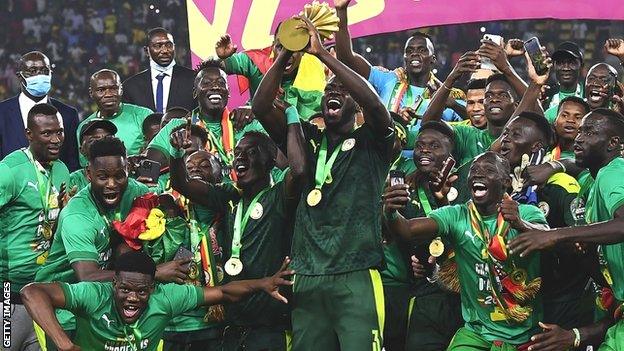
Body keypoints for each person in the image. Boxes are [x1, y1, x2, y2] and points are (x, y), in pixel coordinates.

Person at [252, 17, 398, 350]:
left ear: (355, 103)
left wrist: (322, 54)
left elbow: (376, 105)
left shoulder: (373, 142)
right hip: (307, 275)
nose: (334, 91)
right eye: (329, 89)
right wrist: (285, 53)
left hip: (357, 273)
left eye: (343, 91)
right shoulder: (305, 139)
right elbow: (261, 105)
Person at [168, 95, 306, 349]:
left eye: (250, 153)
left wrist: (292, 116)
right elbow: (182, 184)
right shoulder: (229, 196)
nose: (239, 158)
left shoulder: (280, 197)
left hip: (271, 326)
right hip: (232, 326)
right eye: (238, 153)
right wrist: (177, 152)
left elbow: (298, 170)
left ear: (268, 160)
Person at [35, 136, 189, 348]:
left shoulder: (138, 193)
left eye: (119, 176)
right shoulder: (77, 215)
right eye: (102, 177)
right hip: (64, 309)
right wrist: (156, 272)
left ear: (127, 170)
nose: (111, 184)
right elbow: (87, 276)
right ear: (89, 175)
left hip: (106, 303)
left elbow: (163, 215)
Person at [384, 151, 548, 350]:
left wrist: (521, 224)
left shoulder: (527, 212)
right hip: (477, 334)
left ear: (505, 181)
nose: (478, 174)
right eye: (474, 171)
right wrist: (391, 212)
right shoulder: (457, 215)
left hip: (526, 335)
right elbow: (408, 230)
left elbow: (547, 236)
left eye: (488, 170)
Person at [508, 109, 624, 350]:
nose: (580, 138)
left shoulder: (614, 172)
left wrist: (555, 234)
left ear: (613, 143)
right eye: (580, 130)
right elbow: (575, 166)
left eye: (590, 132)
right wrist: (555, 165)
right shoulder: (591, 180)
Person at [22, 250, 294, 351]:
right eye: (125, 289)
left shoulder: (167, 298)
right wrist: (66, 346)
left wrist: (262, 283)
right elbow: (31, 292)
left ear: (153, 289)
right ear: (113, 284)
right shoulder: (93, 294)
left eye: (141, 291)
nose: (132, 298)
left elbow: (223, 292)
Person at [381, 121, 463, 351]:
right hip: (425, 294)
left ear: (450, 155)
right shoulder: (405, 190)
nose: (424, 150)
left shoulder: (468, 183)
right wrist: (388, 210)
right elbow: (393, 235)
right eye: (419, 146)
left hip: (466, 295)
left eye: (434, 145)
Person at [0, 103, 69, 351]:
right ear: (29, 134)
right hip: (8, 293)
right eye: (46, 133)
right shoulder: (10, 170)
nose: (55, 140)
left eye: (59, 132)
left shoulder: (62, 170)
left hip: (43, 291)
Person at [334, 0, 465, 124]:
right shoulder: (387, 80)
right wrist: (341, 11)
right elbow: (346, 59)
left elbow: (478, 123)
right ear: (404, 58)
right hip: (388, 147)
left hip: (427, 147)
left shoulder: (448, 95)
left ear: (433, 59)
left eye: (422, 50)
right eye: (409, 51)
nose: (415, 53)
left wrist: (454, 105)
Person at [147, 59, 265, 181]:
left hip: (241, 195)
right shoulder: (177, 127)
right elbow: (148, 168)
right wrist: (176, 150)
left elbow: (276, 161)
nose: (215, 87)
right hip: (191, 196)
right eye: (207, 83)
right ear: (194, 93)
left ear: (228, 92)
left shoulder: (246, 123)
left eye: (221, 83)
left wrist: (257, 112)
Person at [216, 27, 325, 120]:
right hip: (260, 132)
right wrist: (220, 58)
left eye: (293, 49)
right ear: (273, 46)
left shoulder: (315, 68)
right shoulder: (256, 61)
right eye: (281, 47)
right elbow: (214, 68)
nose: (286, 54)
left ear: (303, 50)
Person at [0, 51, 79, 171]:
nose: (39, 75)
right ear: (20, 76)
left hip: (57, 187)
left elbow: (72, 161)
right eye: (32, 71)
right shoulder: (2, 113)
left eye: (44, 71)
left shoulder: (68, 114)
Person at [77, 69, 153, 166]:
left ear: (121, 89)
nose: (108, 94)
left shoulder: (143, 115)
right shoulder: (84, 128)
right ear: (91, 93)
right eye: (101, 90)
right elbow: (85, 166)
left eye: (113, 88)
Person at [123, 27, 197, 112]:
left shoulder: (193, 79)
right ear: (146, 51)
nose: (165, 50)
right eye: (158, 46)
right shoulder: (131, 86)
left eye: (169, 45)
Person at [66, 118, 118, 195]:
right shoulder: (72, 181)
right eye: (94, 141)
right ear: (82, 150)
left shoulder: (126, 177)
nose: (103, 144)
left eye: (108, 138)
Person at [545, 41, 584, 110]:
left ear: (581, 66)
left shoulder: (588, 94)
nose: (566, 68)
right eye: (560, 63)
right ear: (554, 66)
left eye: (572, 63)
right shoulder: (546, 95)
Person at [551, 96, 590, 160]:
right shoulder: (544, 149)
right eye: (565, 115)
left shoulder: (592, 156)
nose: (570, 120)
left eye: (577, 117)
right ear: (555, 121)